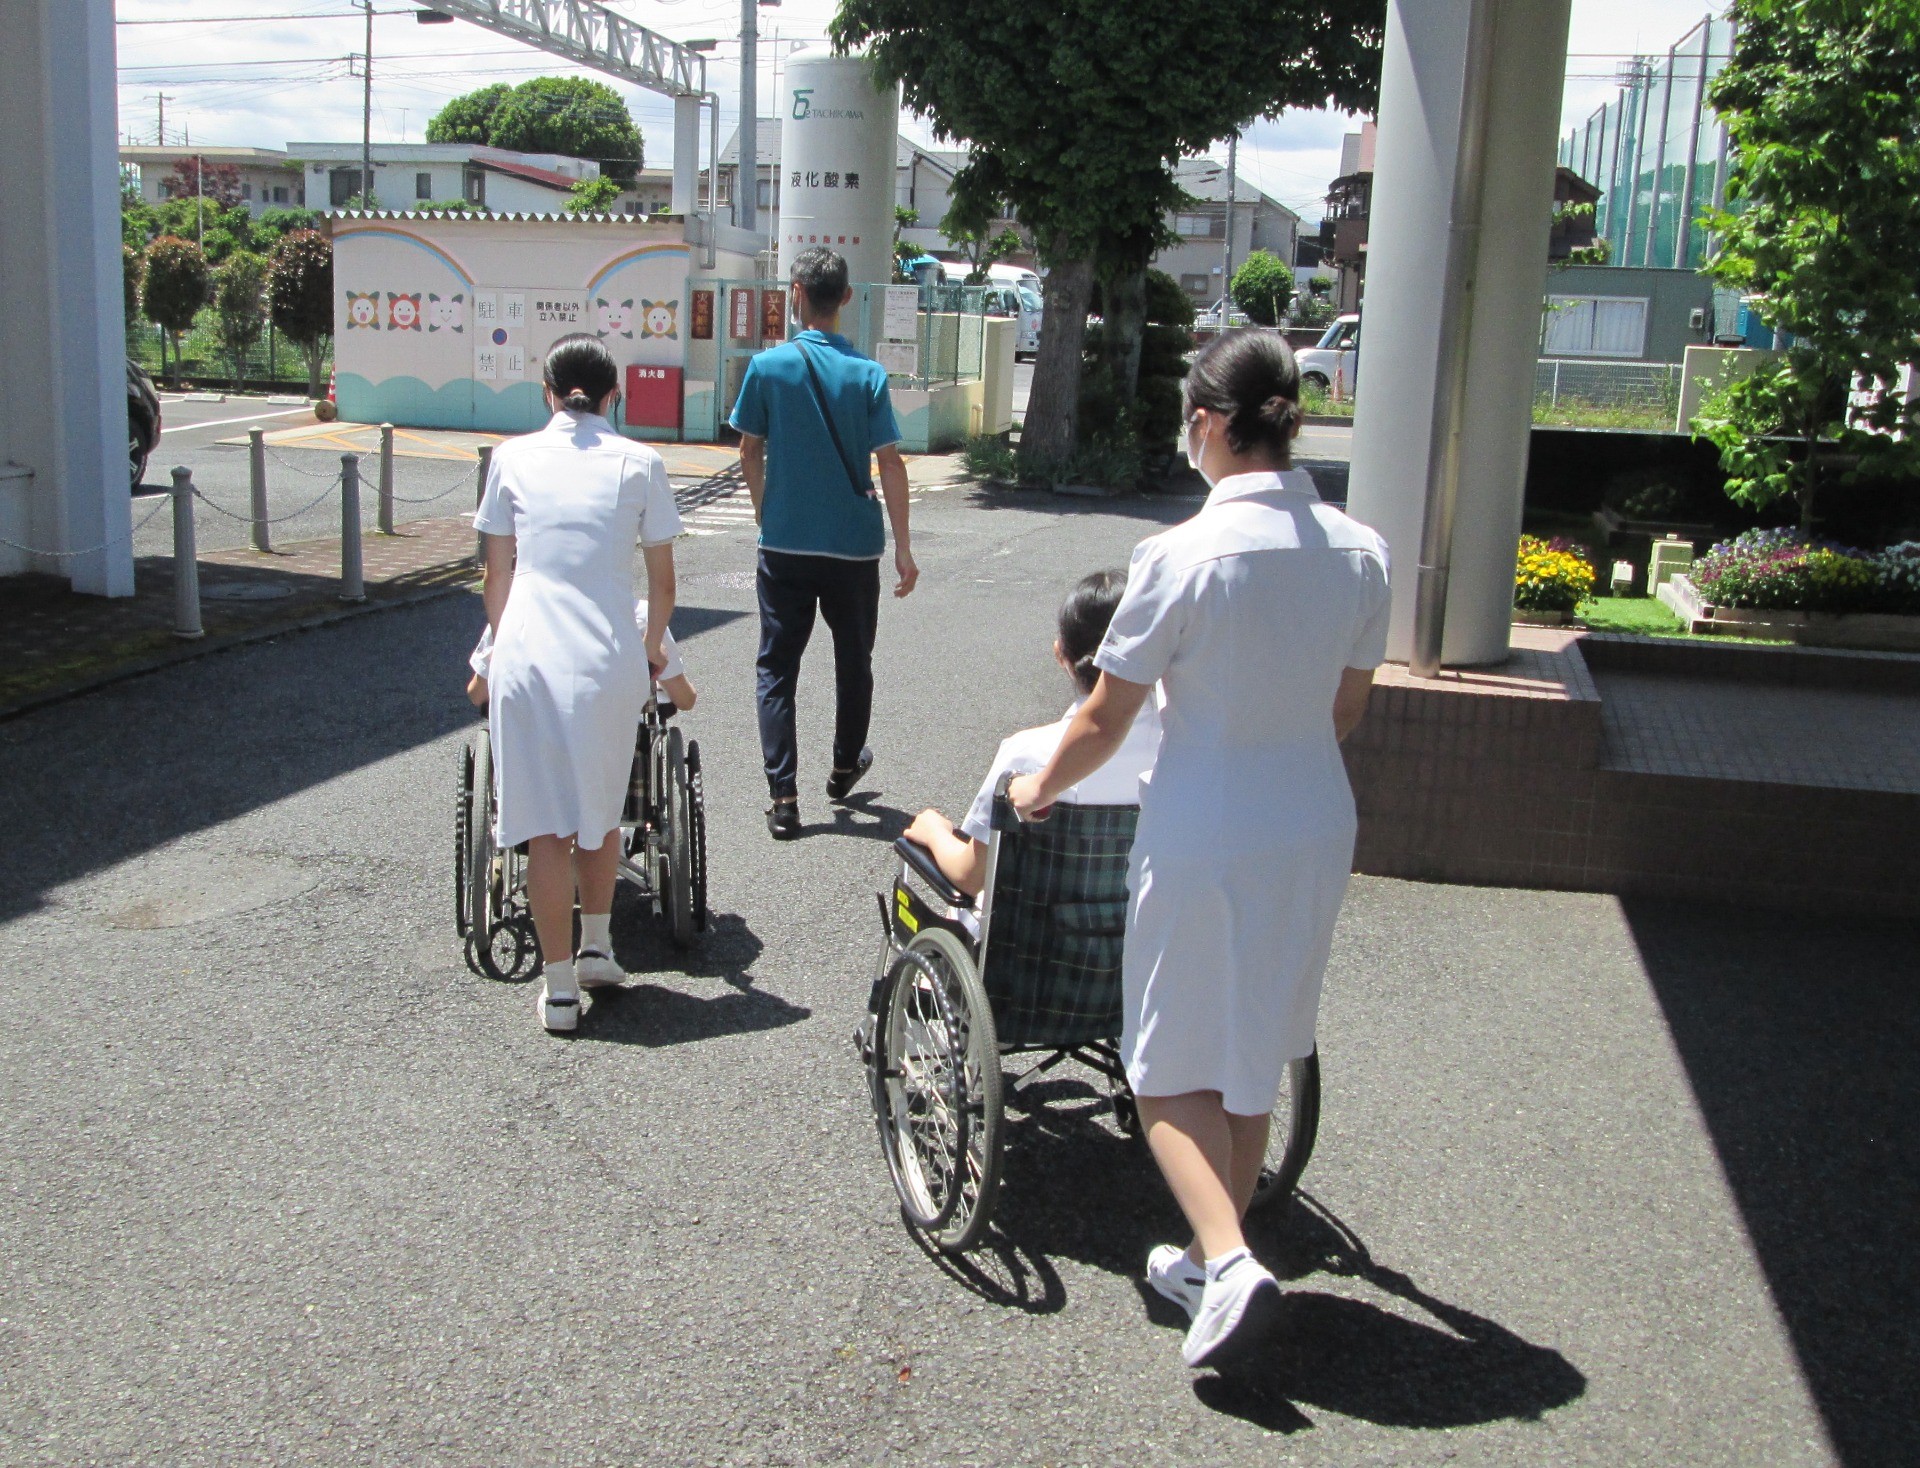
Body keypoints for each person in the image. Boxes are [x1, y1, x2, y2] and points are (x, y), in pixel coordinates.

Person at [1008, 329, 1390, 1370]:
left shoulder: (1177, 556)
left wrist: (1037, 789)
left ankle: (1226, 1261)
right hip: (1313, 815)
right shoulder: (1362, 550)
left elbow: (1103, 719)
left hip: (1207, 823)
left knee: (1165, 1061)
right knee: (1254, 1043)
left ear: (1211, 423)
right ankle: (1212, 1255)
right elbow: (1345, 710)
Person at [473, 334, 682, 1034]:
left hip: (526, 652)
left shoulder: (510, 458)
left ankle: (559, 988)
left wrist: (500, 648)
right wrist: (649, 651)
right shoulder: (640, 462)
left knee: (542, 830)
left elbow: (496, 575)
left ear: (547, 392)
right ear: (613, 396)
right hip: (606, 656)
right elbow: (662, 583)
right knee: (600, 816)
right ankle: (598, 947)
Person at [729, 246, 918, 842]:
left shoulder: (768, 368)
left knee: (776, 668)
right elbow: (890, 463)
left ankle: (783, 799)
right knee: (852, 661)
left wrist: (769, 514)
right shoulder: (868, 374)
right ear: (846, 299)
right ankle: (842, 766)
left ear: (795, 292)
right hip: (854, 549)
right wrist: (905, 548)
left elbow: (748, 450)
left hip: (784, 544)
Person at [902, 569, 1160, 898]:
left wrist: (935, 832)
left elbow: (970, 876)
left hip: (1036, 941)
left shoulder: (1027, 754)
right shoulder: (1181, 748)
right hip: (1145, 936)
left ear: (1061, 654)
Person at [467, 610, 697, 715]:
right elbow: (685, 700)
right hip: (616, 742)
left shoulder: (511, 616)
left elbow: (477, 695)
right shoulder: (640, 617)